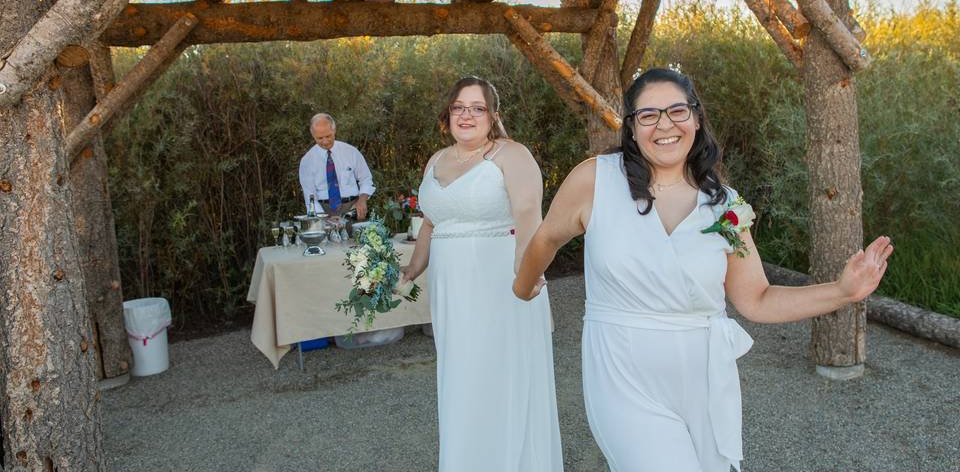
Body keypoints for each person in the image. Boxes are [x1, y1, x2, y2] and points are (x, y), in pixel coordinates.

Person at [513, 67, 893, 472]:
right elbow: (547, 237)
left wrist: (841, 291)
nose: (664, 125)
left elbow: (757, 299)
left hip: (704, 377)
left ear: (696, 118)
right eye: (648, 115)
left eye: (677, 111)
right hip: (622, 372)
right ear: (632, 127)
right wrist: (524, 286)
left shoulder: (725, 205)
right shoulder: (596, 180)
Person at [399, 76, 563, 471]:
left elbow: (528, 212)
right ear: (448, 115)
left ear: (493, 116)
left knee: (500, 377)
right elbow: (430, 222)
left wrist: (525, 267)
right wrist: (410, 270)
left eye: (477, 108)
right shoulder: (436, 161)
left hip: (501, 283)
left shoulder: (511, 154)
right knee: (462, 378)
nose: (467, 115)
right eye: (459, 107)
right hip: (451, 289)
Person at [298, 113, 374, 220]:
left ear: (334, 131)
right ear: (313, 135)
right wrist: (324, 219)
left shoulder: (351, 152)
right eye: (319, 138)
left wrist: (362, 200)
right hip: (324, 211)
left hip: (353, 208)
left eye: (328, 136)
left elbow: (366, 179)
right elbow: (310, 198)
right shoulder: (307, 161)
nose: (325, 141)